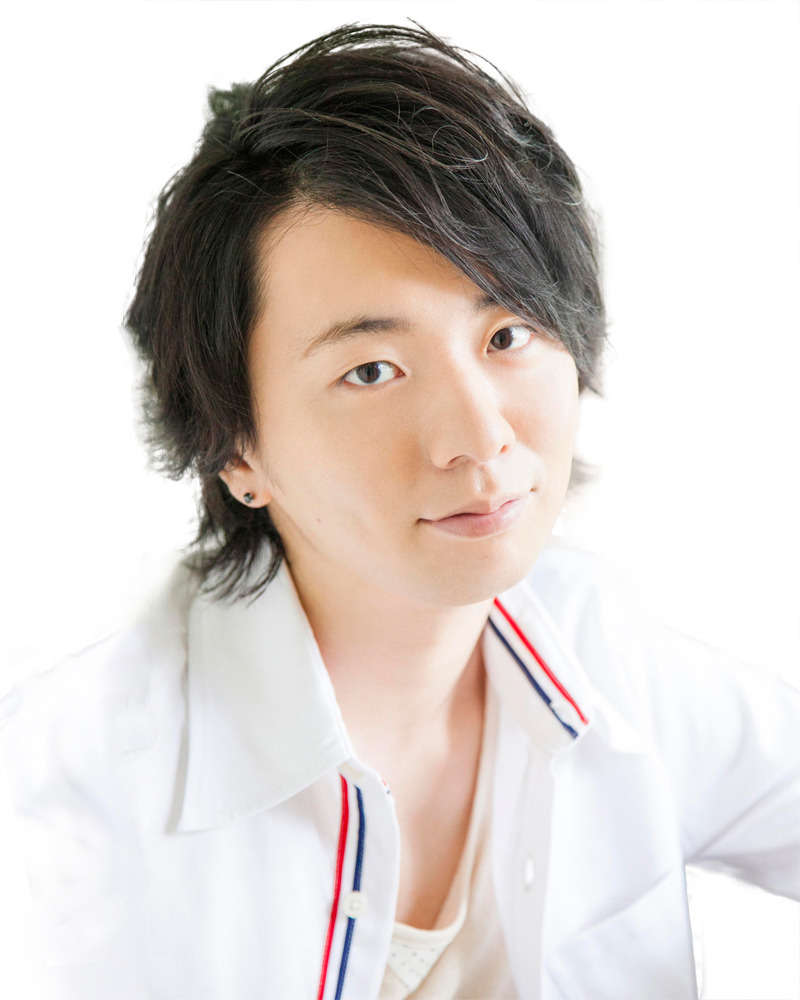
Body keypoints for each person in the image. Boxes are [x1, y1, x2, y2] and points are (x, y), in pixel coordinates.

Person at [2, 19, 799, 1000]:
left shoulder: (609, 651)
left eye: (507, 334)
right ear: (236, 447)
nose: (479, 436)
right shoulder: (62, 789)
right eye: (372, 369)